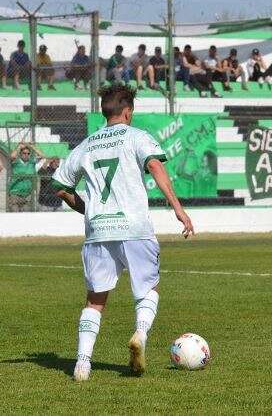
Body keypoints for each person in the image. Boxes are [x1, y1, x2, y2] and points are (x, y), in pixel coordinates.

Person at [51, 83, 194, 382]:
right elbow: (155, 165)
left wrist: (88, 211)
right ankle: (140, 334)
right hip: (135, 228)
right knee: (147, 290)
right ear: (128, 112)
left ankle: (82, 364)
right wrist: (177, 208)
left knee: (95, 300)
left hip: (98, 231)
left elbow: (62, 189)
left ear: (105, 112)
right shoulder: (137, 137)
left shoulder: (85, 146)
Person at [8, 142, 44, 212]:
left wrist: (32, 146)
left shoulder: (31, 162)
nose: (26, 155)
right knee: (14, 216)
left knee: (26, 216)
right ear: (20, 154)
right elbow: (12, 156)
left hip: (27, 194)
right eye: (24, 153)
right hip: (15, 194)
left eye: (28, 153)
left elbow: (42, 156)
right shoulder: (17, 162)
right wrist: (19, 147)